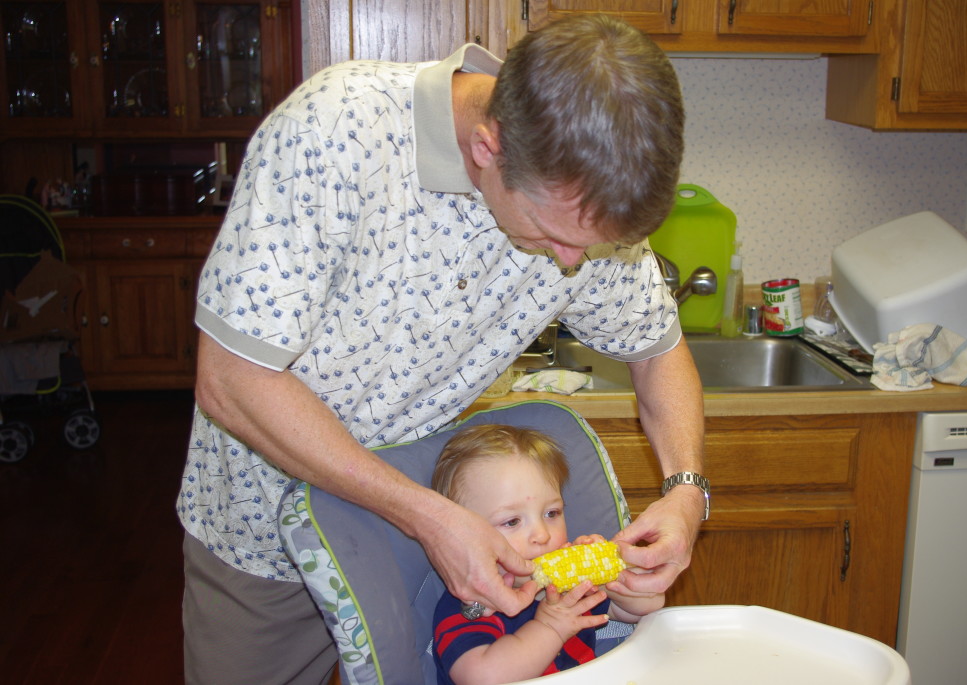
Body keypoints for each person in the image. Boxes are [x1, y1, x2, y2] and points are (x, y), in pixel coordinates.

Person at [178, 12, 707, 685]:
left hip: (454, 538)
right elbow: (231, 379)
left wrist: (687, 492)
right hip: (268, 540)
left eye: (593, 244)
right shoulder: (334, 133)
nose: (576, 262)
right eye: (555, 236)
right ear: (488, 146)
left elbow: (659, 351)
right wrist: (427, 516)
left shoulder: (577, 205)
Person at [430, 424, 665, 684]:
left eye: (551, 514)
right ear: (462, 539)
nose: (542, 535)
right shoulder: (472, 604)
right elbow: (482, 677)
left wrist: (620, 573)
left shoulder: (573, 591)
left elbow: (644, 608)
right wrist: (551, 628)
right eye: (512, 522)